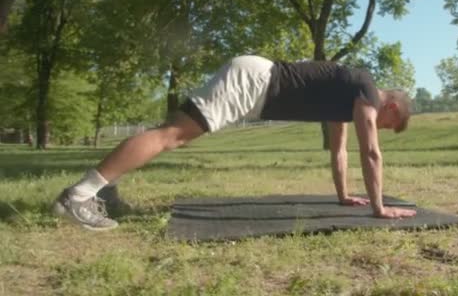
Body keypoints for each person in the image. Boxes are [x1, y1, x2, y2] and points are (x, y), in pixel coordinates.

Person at [53, 55, 416, 231]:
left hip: (252, 77)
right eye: (389, 124)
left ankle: (103, 186)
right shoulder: (365, 87)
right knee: (173, 137)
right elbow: (370, 152)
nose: (380, 129)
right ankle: (80, 195)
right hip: (254, 83)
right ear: (391, 106)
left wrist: (342, 196)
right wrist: (379, 209)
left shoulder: (346, 96)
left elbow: (340, 150)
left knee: (169, 131)